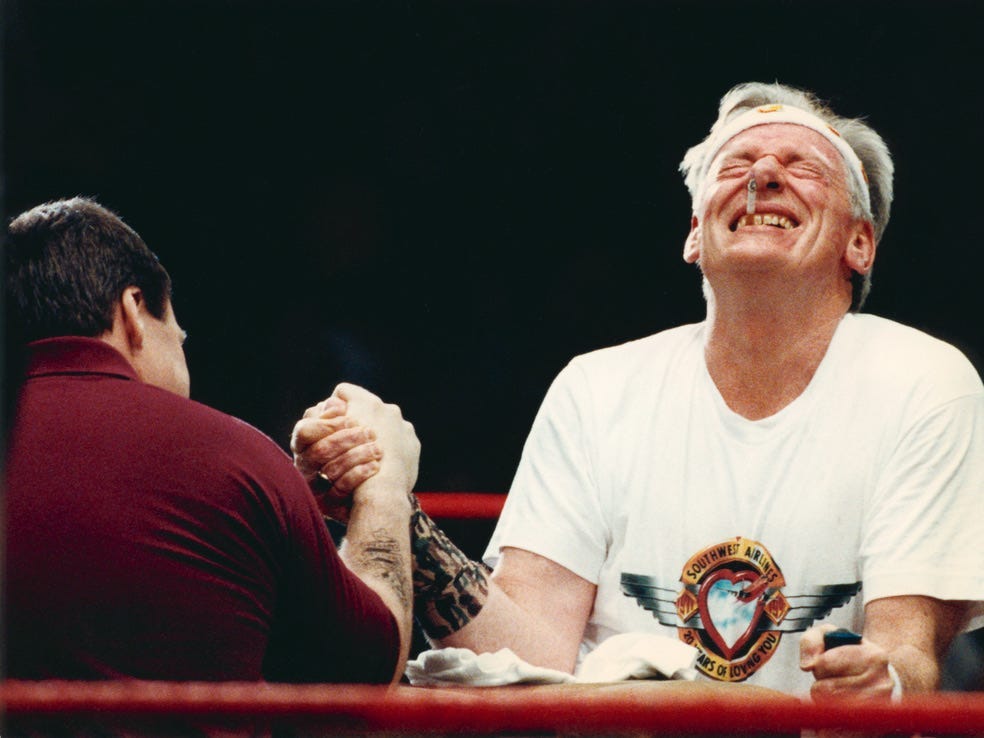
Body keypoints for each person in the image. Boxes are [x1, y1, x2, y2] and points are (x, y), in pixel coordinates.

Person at [295, 82, 984, 701]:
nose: (765, 174)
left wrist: (877, 680)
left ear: (860, 244)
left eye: (802, 166)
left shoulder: (922, 379)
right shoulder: (598, 387)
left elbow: (910, 649)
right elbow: (529, 652)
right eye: (736, 166)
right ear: (694, 236)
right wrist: (387, 500)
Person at [5, 197, 418, 688]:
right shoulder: (234, 458)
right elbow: (364, 676)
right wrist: (385, 484)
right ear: (134, 310)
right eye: (178, 336)